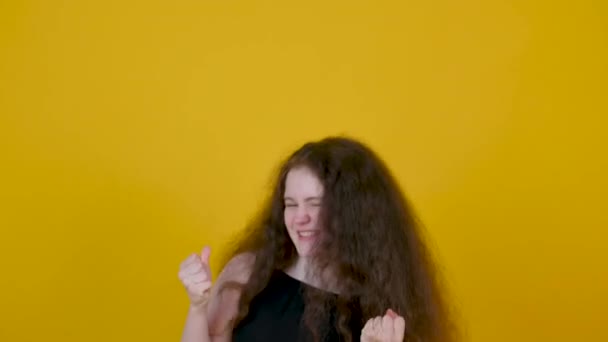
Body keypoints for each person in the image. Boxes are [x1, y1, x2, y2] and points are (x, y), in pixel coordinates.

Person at [178, 136, 455, 342]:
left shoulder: (383, 309)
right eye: (291, 203)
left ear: (353, 213)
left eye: (315, 203)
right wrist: (198, 307)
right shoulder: (248, 274)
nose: (300, 218)